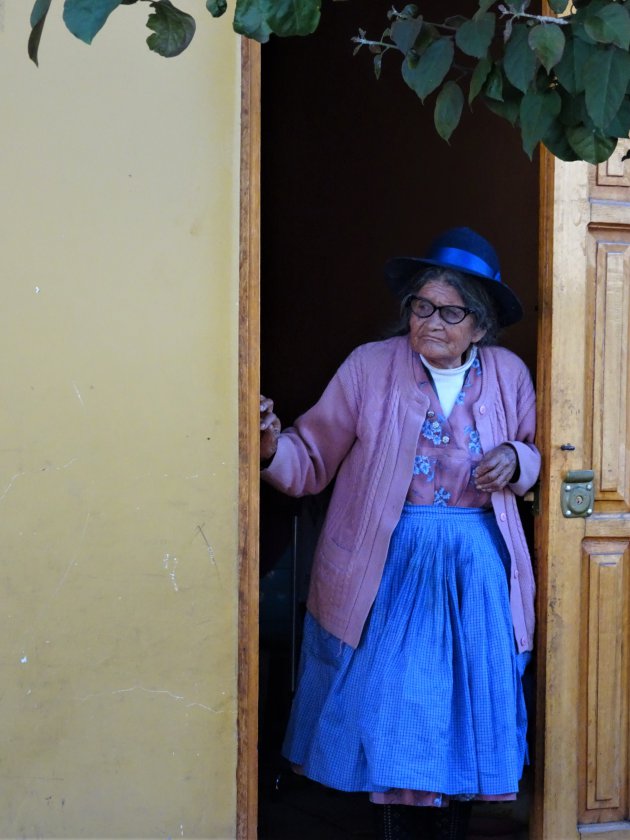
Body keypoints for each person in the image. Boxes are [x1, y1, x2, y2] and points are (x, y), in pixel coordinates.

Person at [259, 227, 540, 840]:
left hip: (476, 572)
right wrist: (267, 449)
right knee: (396, 714)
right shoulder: (369, 366)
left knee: (464, 717)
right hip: (388, 568)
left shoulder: (509, 375)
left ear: (480, 325)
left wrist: (520, 460)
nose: (431, 322)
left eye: (450, 311)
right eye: (421, 306)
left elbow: (541, 455)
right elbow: (309, 457)